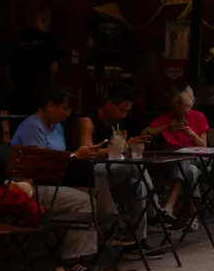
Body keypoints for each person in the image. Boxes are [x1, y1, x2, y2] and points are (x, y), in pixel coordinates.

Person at [10, 83, 100, 271]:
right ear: (51, 105)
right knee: (86, 201)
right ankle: (72, 259)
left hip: (53, 183)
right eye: (65, 108)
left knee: (93, 190)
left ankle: (99, 244)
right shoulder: (33, 126)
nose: (67, 114)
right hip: (30, 188)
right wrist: (75, 156)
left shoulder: (57, 127)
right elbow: (41, 164)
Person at [71, 83, 166, 257]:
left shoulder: (112, 126)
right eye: (121, 110)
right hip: (87, 175)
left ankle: (137, 240)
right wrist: (124, 145)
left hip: (108, 177)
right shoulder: (87, 121)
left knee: (138, 185)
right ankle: (155, 212)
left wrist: (130, 145)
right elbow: (87, 153)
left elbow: (115, 152)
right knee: (135, 169)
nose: (123, 115)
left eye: (127, 111)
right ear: (109, 104)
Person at [145, 85, 209, 231]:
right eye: (179, 106)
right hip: (173, 163)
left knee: (188, 165)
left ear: (191, 105)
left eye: (185, 106)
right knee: (190, 171)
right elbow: (146, 131)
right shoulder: (167, 119)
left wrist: (191, 134)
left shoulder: (198, 116)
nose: (182, 110)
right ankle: (194, 217)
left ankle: (169, 206)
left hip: (199, 159)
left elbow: (204, 146)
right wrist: (166, 127)